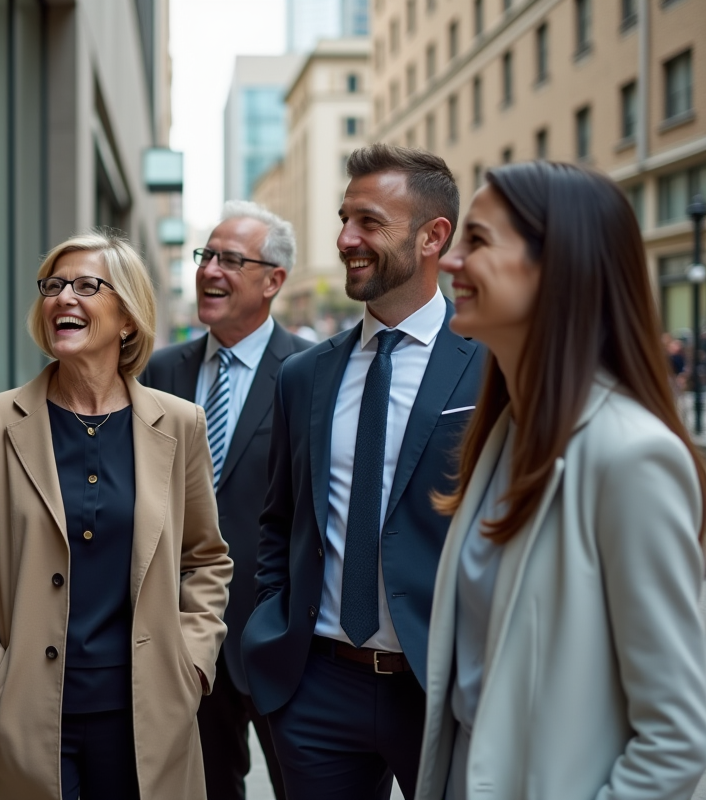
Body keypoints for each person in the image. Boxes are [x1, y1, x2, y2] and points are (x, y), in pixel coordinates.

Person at [415, 160, 706, 799]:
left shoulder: (632, 456)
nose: (450, 261)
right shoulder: (505, 434)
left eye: (479, 241)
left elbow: (677, 738)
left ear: (559, 266)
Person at [0, 231, 233, 800]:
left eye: (85, 286)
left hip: (148, 711)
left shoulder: (179, 424)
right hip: (28, 713)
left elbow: (206, 559)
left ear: (127, 317)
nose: (63, 299)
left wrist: (194, 664)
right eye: (53, 286)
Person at [240, 144, 485, 800]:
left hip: (441, 687)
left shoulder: (492, 370)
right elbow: (279, 521)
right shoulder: (303, 376)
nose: (346, 238)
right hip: (316, 690)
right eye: (345, 219)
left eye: (369, 222)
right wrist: (273, 630)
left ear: (434, 236)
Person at [141, 200, 309, 800]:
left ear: (274, 281)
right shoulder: (162, 371)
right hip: (181, 635)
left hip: (277, 639)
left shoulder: (309, 373)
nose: (209, 269)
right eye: (205, 255)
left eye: (230, 260)